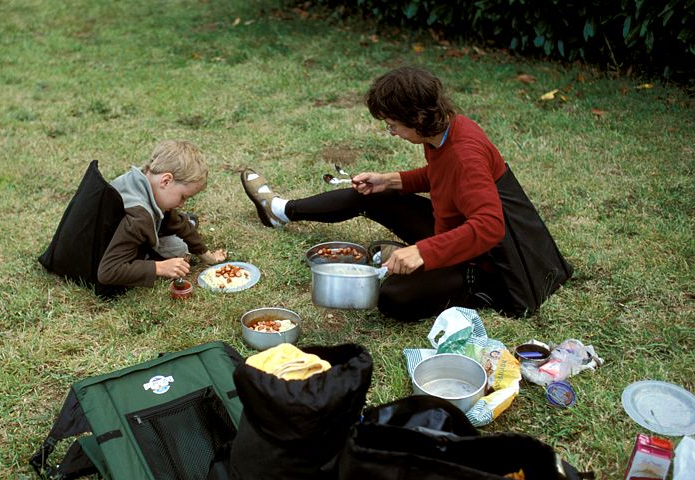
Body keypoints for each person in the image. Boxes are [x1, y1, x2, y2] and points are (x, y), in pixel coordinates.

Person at [241, 66, 571, 321]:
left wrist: (423, 252)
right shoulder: (445, 130)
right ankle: (280, 210)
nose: (392, 132)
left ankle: (471, 291)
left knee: (393, 299)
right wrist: (393, 180)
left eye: (393, 125)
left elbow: (489, 226)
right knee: (370, 194)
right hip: (452, 231)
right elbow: (444, 177)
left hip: (486, 263)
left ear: (418, 117)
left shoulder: (465, 153)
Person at [98, 139, 226, 288]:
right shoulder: (139, 218)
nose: (182, 204)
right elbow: (107, 272)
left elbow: (176, 221)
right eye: (183, 197)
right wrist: (159, 267)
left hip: (109, 237)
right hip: (102, 259)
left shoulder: (141, 179)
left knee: (178, 232)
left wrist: (207, 256)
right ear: (166, 181)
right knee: (179, 251)